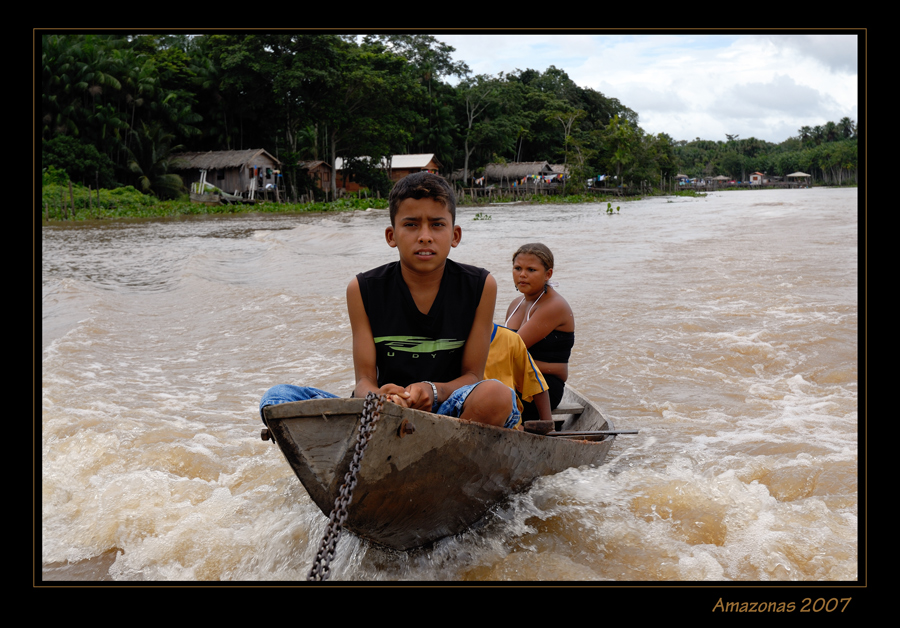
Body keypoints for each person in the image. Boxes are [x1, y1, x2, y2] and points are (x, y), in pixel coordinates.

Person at [259, 172, 518, 429]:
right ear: (391, 236)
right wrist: (382, 397)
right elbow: (364, 382)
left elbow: (472, 376)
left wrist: (433, 391)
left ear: (455, 235)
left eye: (437, 224)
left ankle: (446, 454)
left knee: (496, 395)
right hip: (383, 411)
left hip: (449, 408)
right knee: (277, 398)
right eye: (411, 224)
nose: (425, 236)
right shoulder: (363, 289)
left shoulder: (480, 285)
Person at [504, 243, 575, 421]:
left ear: (548, 274)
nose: (522, 275)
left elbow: (509, 349)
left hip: (544, 387)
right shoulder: (516, 304)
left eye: (531, 270)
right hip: (516, 379)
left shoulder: (553, 306)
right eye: (517, 268)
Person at [484, 323, 552, 428]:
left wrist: (549, 427)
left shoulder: (509, 339)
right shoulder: (454, 343)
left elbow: (537, 385)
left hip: (508, 425)